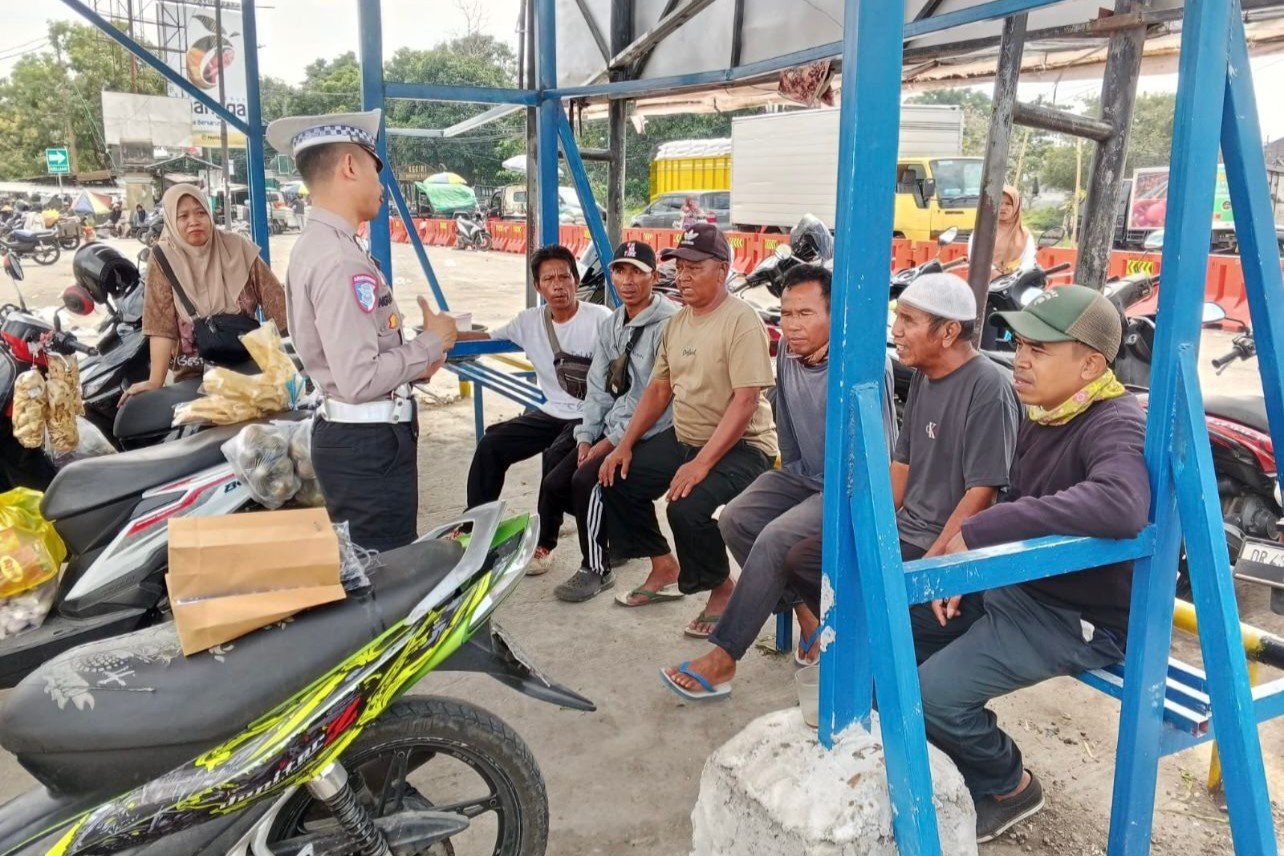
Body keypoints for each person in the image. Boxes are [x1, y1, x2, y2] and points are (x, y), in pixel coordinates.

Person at [919, 285, 1149, 842]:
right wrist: (966, 571)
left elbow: (1122, 503)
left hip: (1073, 617)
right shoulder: (1046, 412)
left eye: (1040, 349)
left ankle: (1009, 784)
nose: (1020, 360)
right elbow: (1021, 499)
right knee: (897, 636)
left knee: (929, 694)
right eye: (1019, 344)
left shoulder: (1114, 421)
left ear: (1091, 363)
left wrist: (978, 533)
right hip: (1021, 587)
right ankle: (936, 761)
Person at [660, 264, 898, 699]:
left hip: (848, 488)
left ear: (834, 314)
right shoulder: (787, 352)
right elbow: (786, 428)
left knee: (774, 539)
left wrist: (838, 497)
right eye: (787, 313)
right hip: (803, 474)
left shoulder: (862, 362)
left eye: (805, 314)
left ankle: (724, 656)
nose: (793, 324)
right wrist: (785, 478)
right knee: (735, 519)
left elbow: (878, 456)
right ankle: (809, 621)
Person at [266, 108, 459, 552]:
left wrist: (414, 366)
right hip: (367, 446)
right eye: (377, 167)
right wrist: (433, 342)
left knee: (373, 565)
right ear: (350, 166)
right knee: (385, 574)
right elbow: (358, 378)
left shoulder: (324, 245)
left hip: (360, 438)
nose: (380, 182)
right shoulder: (338, 259)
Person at [783, 272, 1019, 622]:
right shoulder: (925, 375)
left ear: (949, 332)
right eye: (898, 318)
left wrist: (932, 565)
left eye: (909, 320)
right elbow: (902, 467)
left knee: (879, 599)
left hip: (938, 540)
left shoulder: (988, 387)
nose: (896, 331)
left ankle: (872, 654)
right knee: (806, 560)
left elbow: (980, 494)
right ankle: (865, 646)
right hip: (906, 529)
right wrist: (861, 528)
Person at [599, 223, 777, 636]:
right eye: (679, 267)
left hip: (744, 447)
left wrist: (700, 465)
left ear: (723, 270)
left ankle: (721, 588)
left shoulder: (741, 321)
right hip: (686, 439)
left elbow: (746, 401)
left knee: (687, 507)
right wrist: (623, 445)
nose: (683, 276)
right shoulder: (677, 323)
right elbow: (659, 390)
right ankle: (664, 566)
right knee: (616, 479)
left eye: (695, 267)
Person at [543, 240, 678, 603]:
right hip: (616, 426)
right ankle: (613, 536)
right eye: (620, 270)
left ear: (654, 277)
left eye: (637, 271)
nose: (627, 280)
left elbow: (652, 396)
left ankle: (596, 568)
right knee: (557, 481)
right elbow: (598, 388)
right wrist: (586, 436)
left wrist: (611, 443)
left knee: (589, 478)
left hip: (656, 427)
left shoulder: (669, 324)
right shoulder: (613, 323)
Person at [461, 244, 611, 569]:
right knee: (491, 445)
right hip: (551, 411)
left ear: (576, 278)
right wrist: (443, 334)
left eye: (564, 276)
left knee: (554, 460)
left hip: (590, 415)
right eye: (549, 279)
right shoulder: (528, 322)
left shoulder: (600, 319)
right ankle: (475, 526)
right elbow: (486, 336)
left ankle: (545, 543)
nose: (558, 285)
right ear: (537, 286)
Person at [121, 184, 289, 401]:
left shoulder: (238, 248)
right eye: (183, 216)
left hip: (247, 370)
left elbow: (278, 304)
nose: (194, 221)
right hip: (192, 378)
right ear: (171, 220)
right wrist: (155, 381)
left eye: (201, 212)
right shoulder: (163, 258)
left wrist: (301, 360)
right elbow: (161, 326)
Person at [969, 185, 1035, 277]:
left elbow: (1028, 261)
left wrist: (1014, 276)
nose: (1003, 207)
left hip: (1015, 283)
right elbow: (975, 257)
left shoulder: (1024, 234)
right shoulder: (982, 232)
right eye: (1000, 203)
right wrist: (994, 272)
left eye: (1008, 204)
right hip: (985, 283)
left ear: (1016, 206)